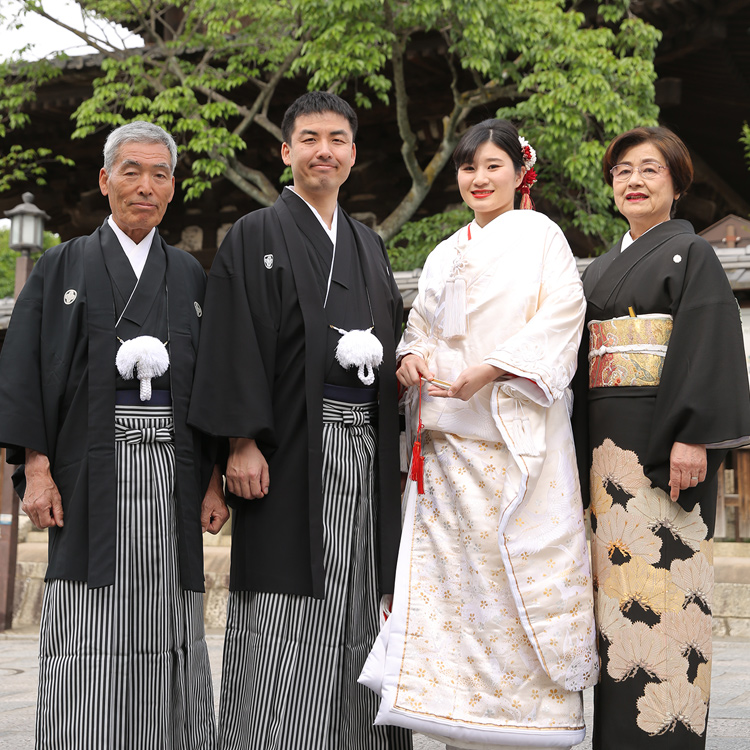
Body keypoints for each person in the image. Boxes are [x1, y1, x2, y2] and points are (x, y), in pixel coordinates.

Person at [359, 119, 598, 749]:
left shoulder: (542, 235)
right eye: (468, 168)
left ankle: (527, 728)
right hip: (446, 450)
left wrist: (489, 371)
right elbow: (420, 332)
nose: (479, 179)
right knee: (454, 596)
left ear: (520, 173)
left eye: (493, 166)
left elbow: (562, 319)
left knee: (518, 583)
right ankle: (454, 720)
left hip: (513, 439)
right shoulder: (443, 251)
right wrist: (409, 362)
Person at [187, 91, 411, 750]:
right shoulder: (255, 234)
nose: (325, 151)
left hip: (363, 450)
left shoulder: (368, 245)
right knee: (286, 608)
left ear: (351, 154)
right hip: (287, 457)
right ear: (286, 153)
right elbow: (233, 340)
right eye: (310, 138)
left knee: (361, 599)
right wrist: (240, 442)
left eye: (337, 139)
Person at [0, 121, 228, 749]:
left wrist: (213, 479)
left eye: (159, 174)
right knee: (87, 623)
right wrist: (37, 467)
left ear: (173, 188)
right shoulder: (61, 266)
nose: (145, 186)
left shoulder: (188, 275)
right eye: (131, 171)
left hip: (175, 476)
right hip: (86, 472)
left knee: (172, 623)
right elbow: (25, 368)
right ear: (105, 180)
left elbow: (211, 381)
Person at [572, 126, 750, 750]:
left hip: (663, 455)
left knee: (668, 604)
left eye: (649, 169)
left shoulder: (691, 255)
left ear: (676, 183)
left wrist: (693, 437)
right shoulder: (595, 271)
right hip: (605, 461)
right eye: (622, 171)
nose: (634, 181)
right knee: (618, 617)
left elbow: (709, 344)